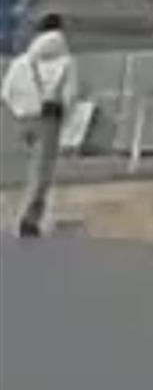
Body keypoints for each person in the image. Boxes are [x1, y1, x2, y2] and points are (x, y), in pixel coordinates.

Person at [5, 15, 90, 243]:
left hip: (25, 119)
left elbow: (7, 91)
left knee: (28, 167)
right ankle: (29, 218)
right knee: (42, 171)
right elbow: (71, 94)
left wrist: (21, 109)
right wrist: (64, 115)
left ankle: (21, 210)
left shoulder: (22, 61)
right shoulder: (67, 61)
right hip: (49, 119)